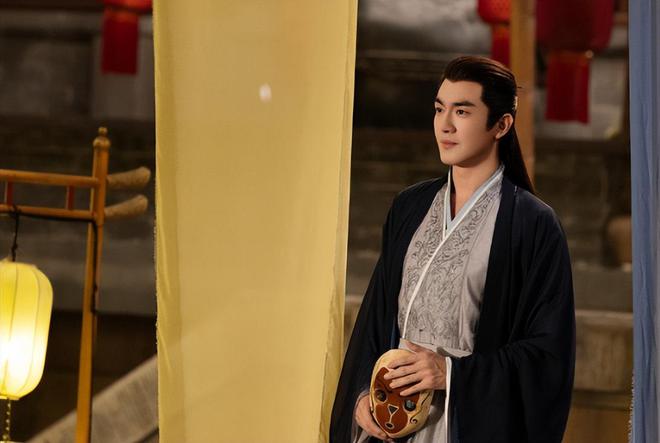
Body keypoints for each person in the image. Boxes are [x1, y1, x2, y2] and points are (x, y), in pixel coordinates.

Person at [330, 55, 575, 443]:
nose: (445, 125)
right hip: (389, 419)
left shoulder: (532, 225)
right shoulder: (410, 207)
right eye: (439, 109)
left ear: (501, 125)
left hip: (463, 426)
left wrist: (451, 372)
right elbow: (375, 319)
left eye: (462, 111)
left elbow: (548, 357)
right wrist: (362, 394)